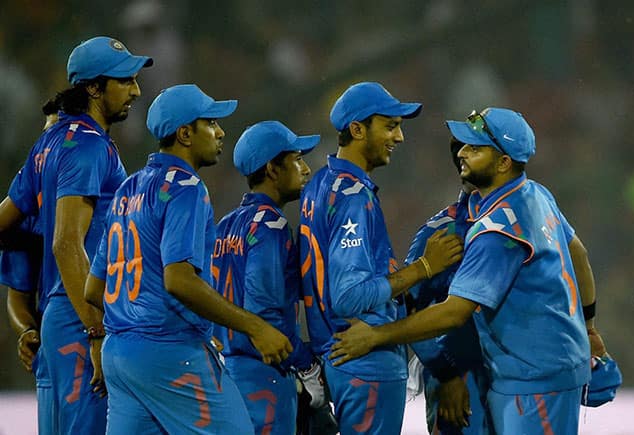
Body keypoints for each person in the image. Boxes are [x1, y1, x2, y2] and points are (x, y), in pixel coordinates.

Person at [330, 107, 609, 435]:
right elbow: (579, 254)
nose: (461, 153)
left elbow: (454, 313)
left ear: (503, 162)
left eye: (473, 148)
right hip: (476, 379)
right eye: (461, 147)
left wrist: (376, 336)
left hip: (525, 377)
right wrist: (447, 376)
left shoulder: (497, 227)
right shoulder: (531, 196)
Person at [82, 84, 292, 434]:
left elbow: (93, 288)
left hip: (119, 354)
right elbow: (178, 280)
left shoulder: (127, 189)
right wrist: (257, 328)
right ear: (185, 134)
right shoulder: (185, 186)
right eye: (211, 122)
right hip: (168, 350)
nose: (221, 131)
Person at [0, 35, 152, 434]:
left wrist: (31, 322)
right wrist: (96, 331)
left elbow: (5, 222)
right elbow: (66, 243)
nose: (136, 91)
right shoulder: (87, 146)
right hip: (82, 314)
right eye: (125, 81)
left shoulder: (48, 143)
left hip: (58, 316)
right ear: (93, 88)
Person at [298, 82, 464, 434]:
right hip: (366, 362)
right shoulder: (354, 196)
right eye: (390, 126)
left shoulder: (319, 184)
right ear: (357, 129)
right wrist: (424, 267)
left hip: (339, 358)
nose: (399, 137)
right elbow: (349, 296)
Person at [213, 120, 325, 435]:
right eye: (297, 160)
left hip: (228, 373)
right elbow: (263, 313)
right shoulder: (272, 227)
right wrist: (306, 364)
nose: (305, 169)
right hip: (266, 373)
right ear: (273, 170)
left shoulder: (225, 225)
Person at [403, 138, 489, 434]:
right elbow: (407, 308)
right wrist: (448, 375)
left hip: (518, 383)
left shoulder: (526, 220)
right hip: (464, 384)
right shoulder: (440, 233)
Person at [3, 97, 63, 435]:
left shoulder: (113, 195)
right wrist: (27, 330)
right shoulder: (27, 217)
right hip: (59, 352)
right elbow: (17, 293)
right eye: (47, 134)